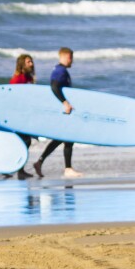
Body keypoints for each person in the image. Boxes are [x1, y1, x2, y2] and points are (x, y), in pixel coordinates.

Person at [33, 47, 80, 178]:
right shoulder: (60, 71)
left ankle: (40, 162)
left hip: (62, 110)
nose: (72, 61)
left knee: (61, 138)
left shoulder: (59, 70)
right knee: (68, 138)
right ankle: (67, 168)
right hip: (64, 110)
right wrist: (65, 102)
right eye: (71, 57)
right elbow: (54, 86)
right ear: (65, 56)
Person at [6, 54, 37, 180]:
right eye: (29, 62)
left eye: (31, 61)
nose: (31, 64)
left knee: (25, 142)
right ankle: (15, 168)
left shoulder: (28, 77)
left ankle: (18, 169)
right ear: (22, 64)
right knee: (23, 142)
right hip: (18, 116)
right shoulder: (17, 79)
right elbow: (12, 98)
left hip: (26, 115)